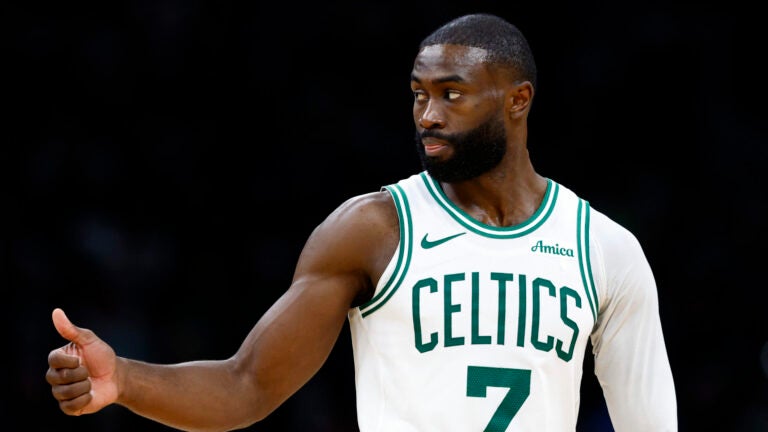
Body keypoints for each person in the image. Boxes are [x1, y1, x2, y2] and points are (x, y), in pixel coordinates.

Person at [46, 13, 677, 431]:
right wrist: (124, 378)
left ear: (518, 100)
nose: (427, 115)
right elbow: (246, 384)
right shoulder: (374, 229)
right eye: (418, 93)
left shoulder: (604, 249)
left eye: (452, 94)